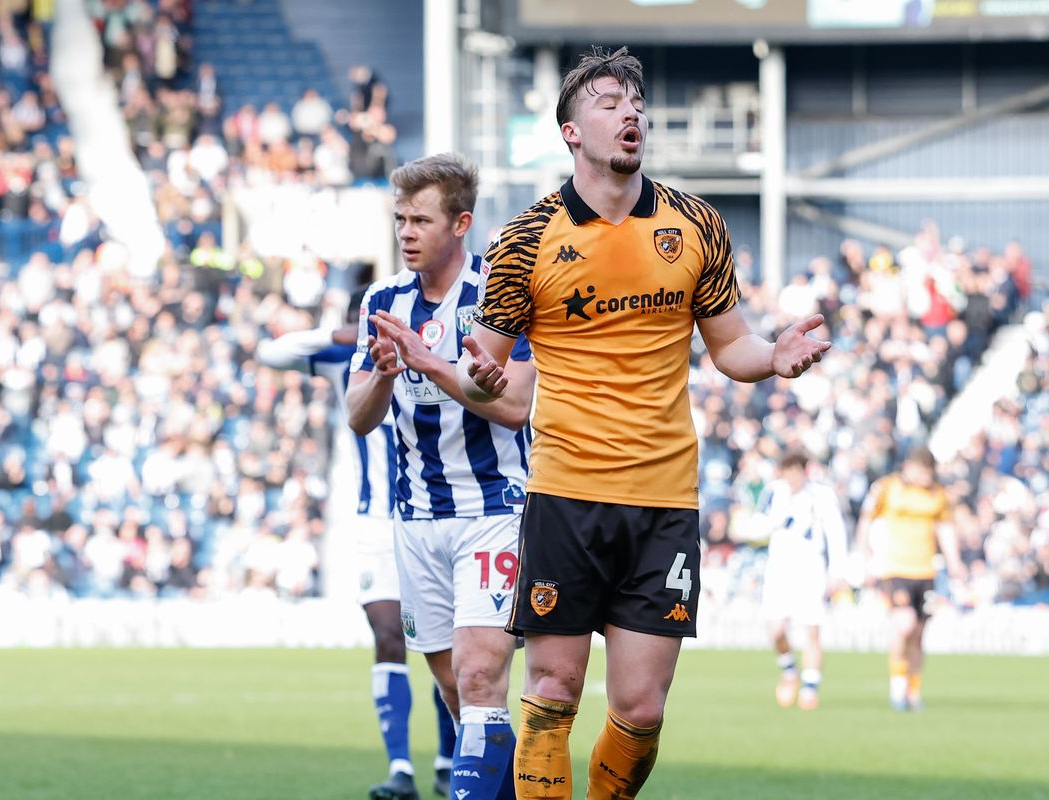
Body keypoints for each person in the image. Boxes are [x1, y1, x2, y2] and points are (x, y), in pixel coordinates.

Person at [457, 47, 831, 799]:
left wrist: (774, 356)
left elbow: (730, 347)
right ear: (571, 131)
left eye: (636, 103)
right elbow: (483, 368)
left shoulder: (696, 224)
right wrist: (480, 378)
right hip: (566, 492)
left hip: (664, 500)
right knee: (553, 689)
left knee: (641, 709)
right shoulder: (526, 239)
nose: (630, 113)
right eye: (608, 103)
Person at [348, 153, 536, 800]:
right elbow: (357, 417)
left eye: (421, 220)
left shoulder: (498, 295)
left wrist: (428, 361)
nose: (406, 232)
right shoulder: (382, 300)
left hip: (493, 511)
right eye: (401, 219)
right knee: (458, 691)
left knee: (481, 678)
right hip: (417, 519)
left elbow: (515, 407)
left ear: (460, 224)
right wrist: (383, 374)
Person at [256, 294, 457, 800]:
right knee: (388, 635)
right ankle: (400, 769)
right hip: (375, 524)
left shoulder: (432, 345)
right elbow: (270, 353)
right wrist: (340, 335)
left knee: (448, 645)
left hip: (436, 515)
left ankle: (448, 760)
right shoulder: (347, 357)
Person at [855, 446, 966, 712]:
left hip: (926, 571)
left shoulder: (937, 494)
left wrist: (954, 562)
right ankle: (897, 686)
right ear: (910, 467)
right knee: (904, 625)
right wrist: (864, 556)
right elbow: (867, 520)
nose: (926, 477)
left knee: (918, 635)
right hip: (895, 569)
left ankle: (913, 692)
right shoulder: (888, 488)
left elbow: (945, 528)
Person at [754, 451, 849, 710]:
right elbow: (756, 525)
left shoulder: (822, 495)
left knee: (812, 628)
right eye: (787, 472)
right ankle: (788, 669)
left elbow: (836, 532)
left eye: (795, 471)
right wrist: (773, 521)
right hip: (779, 567)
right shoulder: (773, 493)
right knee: (776, 629)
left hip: (811, 566)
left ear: (805, 471)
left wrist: (838, 571)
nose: (791, 478)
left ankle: (810, 686)